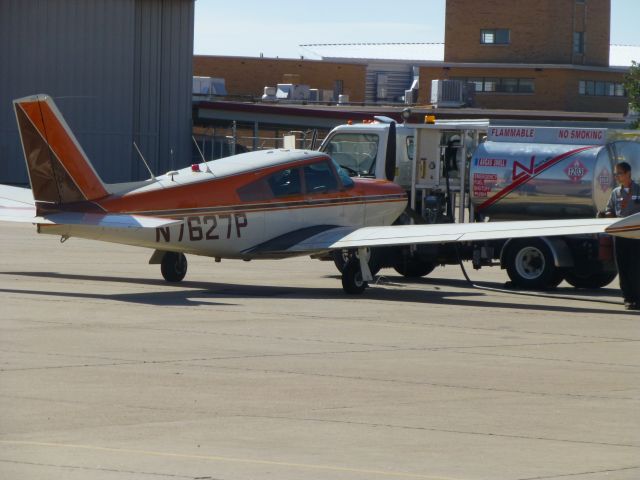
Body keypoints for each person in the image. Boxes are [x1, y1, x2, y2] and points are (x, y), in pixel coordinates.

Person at [598, 162, 640, 310]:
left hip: (636, 236)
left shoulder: (638, 190)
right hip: (620, 235)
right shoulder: (616, 192)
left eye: (619, 173)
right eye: (615, 174)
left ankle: (637, 298)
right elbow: (611, 211)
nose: (617, 176)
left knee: (635, 268)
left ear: (628, 173)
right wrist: (604, 215)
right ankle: (628, 299)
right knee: (622, 267)